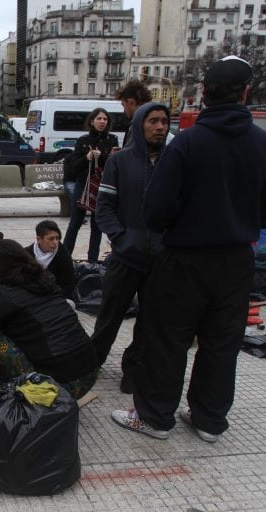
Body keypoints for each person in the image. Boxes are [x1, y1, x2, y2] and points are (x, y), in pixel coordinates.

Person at [112, 56, 266, 442]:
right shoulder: (261, 144)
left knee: (168, 340)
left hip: (184, 258)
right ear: (245, 92)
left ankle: (155, 417)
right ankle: (209, 419)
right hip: (236, 259)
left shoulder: (187, 145)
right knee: (221, 343)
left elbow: (155, 209)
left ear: (203, 93)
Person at [91, 103, 169, 392]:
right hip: (126, 256)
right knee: (109, 314)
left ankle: (133, 370)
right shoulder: (120, 162)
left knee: (150, 322)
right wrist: (121, 238)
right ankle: (92, 362)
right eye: (153, 121)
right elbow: (104, 208)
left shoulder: (174, 160)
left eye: (164, 121)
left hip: (160, 258)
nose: (160, 127)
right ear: (139, 125)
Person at [0, 239, 99, 399]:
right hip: (89, 374)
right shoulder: (45, 282)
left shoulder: (6, 296)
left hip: (58, 387)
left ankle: (16, 391)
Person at [61, 108, 119, 262]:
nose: (102, 122)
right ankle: (65, 258)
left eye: (105, 119)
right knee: (75, 222)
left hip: (102, 187)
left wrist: (103, 156)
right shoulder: (83, 141)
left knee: (97, 225)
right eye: (99, 119)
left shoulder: (112, 140)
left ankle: (92, 261)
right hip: (83, 185)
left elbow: (113, 164)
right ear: (92, 121)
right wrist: (87, 157)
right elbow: (74, 167)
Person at [26, 220, 75, 300]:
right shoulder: (27, 254)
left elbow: (68, 285)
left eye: (57, 238)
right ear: (39, 239)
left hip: (54, 298)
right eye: (51, 239)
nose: (55, 242)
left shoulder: (63, 255)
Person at [115, 80, 152, 149]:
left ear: (131, 102)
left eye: (124, 105)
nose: (124, 110)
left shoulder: (140, 125)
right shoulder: (150, 120)